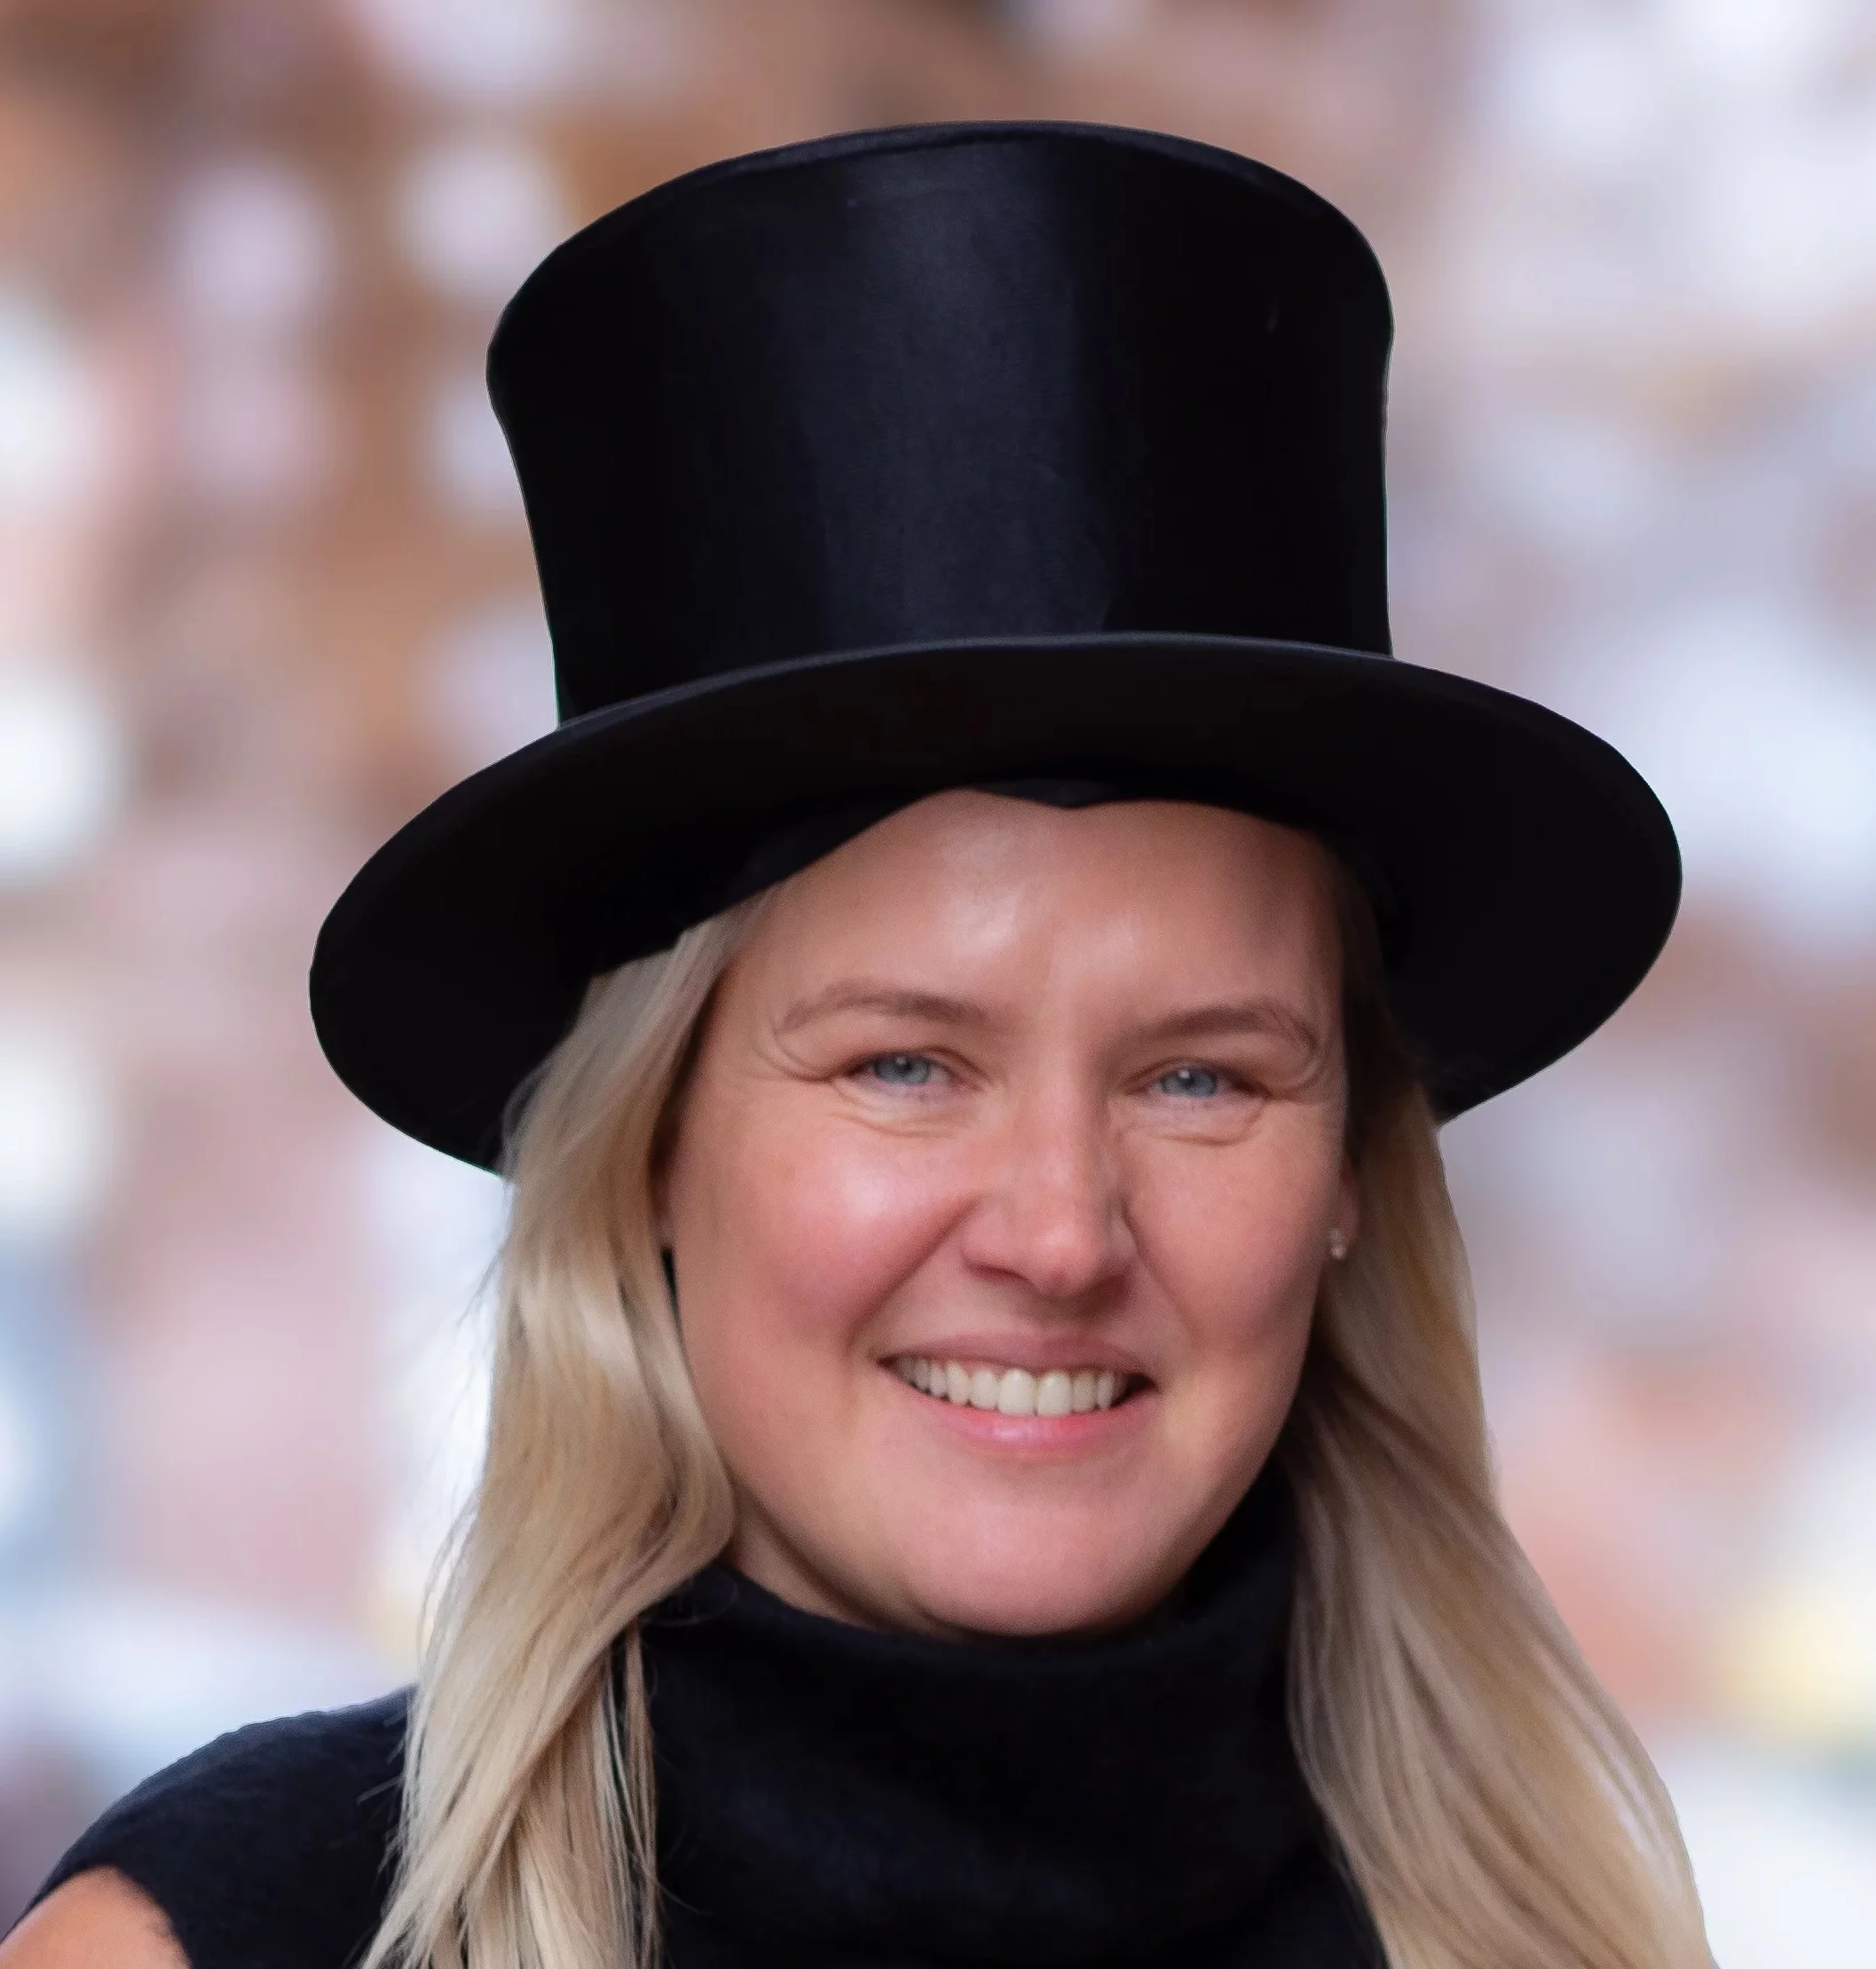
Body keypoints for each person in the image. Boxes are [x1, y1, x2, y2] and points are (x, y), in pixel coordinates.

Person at [4, 122, 1715, 1969]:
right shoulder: (234, 1939)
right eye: (905, 1064)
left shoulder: (1567, 1937)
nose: (1058, 1233)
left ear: (1348, 1174)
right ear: (650, 1148)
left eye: (1199, 1075)